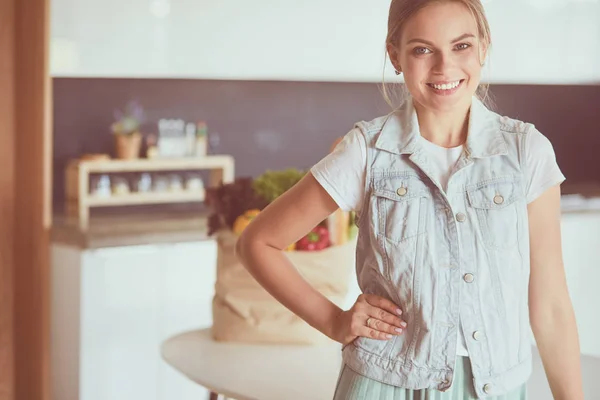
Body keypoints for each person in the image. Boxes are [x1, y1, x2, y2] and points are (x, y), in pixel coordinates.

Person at [235, 0, 584, 398]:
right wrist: (333, 321)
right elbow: (257, 242)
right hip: (383, 385)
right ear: (395, 56)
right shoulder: (366, 150)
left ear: (483, 47)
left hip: (496, 388)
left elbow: (551, 305)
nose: (443, 67)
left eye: (461, 46)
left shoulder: (526, 152)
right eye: (422, 49)